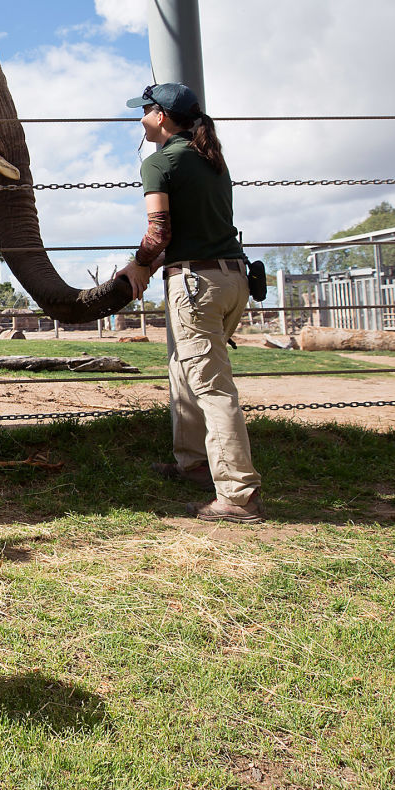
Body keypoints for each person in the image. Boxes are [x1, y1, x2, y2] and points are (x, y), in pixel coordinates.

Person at [118, 82, 265, 523]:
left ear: (161, 116)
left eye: (144, 111)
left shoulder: (160, 162)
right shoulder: (211, 161)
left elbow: (158, 234)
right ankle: (195, 464)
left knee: (212, 387)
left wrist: (136, 265)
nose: (140, 119)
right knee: (184, 369)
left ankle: (238, 496)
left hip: (197, 283)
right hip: (233, 278)